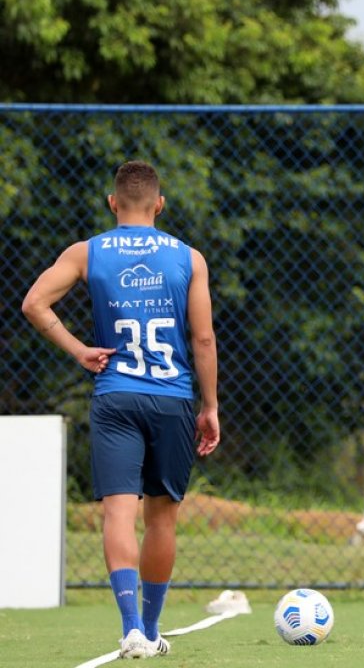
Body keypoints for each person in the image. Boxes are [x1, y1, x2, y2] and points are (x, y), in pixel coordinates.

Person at [22, 161, 220, 659]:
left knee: (118, 512)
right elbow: (202, 337)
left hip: (114, 395)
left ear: (113, 203)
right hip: (172, 397)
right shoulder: (188, 258)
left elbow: (34, 304)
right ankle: (151, 633)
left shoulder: (87, 252)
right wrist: (210, 405)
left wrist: (78, 350)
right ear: (160, 203)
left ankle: (130, 626)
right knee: (162, 519)